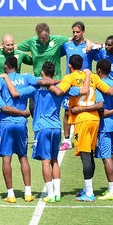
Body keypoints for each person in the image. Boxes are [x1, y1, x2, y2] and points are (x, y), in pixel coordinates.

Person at [52, 54, 113, 202]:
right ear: (82, 65)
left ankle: (89, 192)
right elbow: (109, 91)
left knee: (85, 156)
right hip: (95, 119)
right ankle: (87, 188)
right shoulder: (94, 77)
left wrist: (49, 84)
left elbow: (60, 91)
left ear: (70, 65)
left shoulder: (70, 78)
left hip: (82, 120)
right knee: (89, 153)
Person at [19, 61, 74, 203]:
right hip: (57, 128)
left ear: (42, 73)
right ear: (54, 73)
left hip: (42, 128)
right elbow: (77, 91)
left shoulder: (35, 87)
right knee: (54, 160)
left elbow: (18, 93)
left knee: (45, 161)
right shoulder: (60, 87)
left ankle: (50, 194)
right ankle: (57, 193)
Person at [0, 57, 37, 204]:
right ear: (17, 66)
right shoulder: (26, 78)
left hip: (6, 123)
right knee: (23, 157)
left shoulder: (1, 80)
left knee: (6, 158)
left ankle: (10, 194)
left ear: (5, 67)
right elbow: (39, 84)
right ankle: (28, 193)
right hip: (21, 124)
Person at [60, 21, 98, 151]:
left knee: (85, 111)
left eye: (78, 32)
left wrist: (89, 42)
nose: (75, 34)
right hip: (71, 84)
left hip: (86, 85)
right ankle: (66, 140)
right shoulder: (67, 45)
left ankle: (86, 137)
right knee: (67, 112)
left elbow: (101, 54)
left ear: (83, 32)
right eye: (74, 32)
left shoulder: (89, 47)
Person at [94, 59, 113, 200]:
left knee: (106, 158)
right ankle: (112, 187)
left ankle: (112, 190)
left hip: (104, 125)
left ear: (99, 70)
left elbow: (100, 105)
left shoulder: (99, 85)